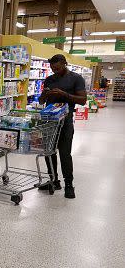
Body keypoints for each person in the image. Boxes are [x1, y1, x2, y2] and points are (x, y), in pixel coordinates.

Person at [38, 54, 87, 199]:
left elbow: (83, 100)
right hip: (50, 120)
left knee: (65, 153)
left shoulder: (76, 78)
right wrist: (45, 95)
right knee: (49, 152)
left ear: (64, 64)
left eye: (58, 68)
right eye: (53, 68)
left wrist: (64, 94)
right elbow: (41, 101)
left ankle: (69, 185)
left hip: (65, 121)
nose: (55, 71)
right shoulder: (49, 79)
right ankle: (54, 180)